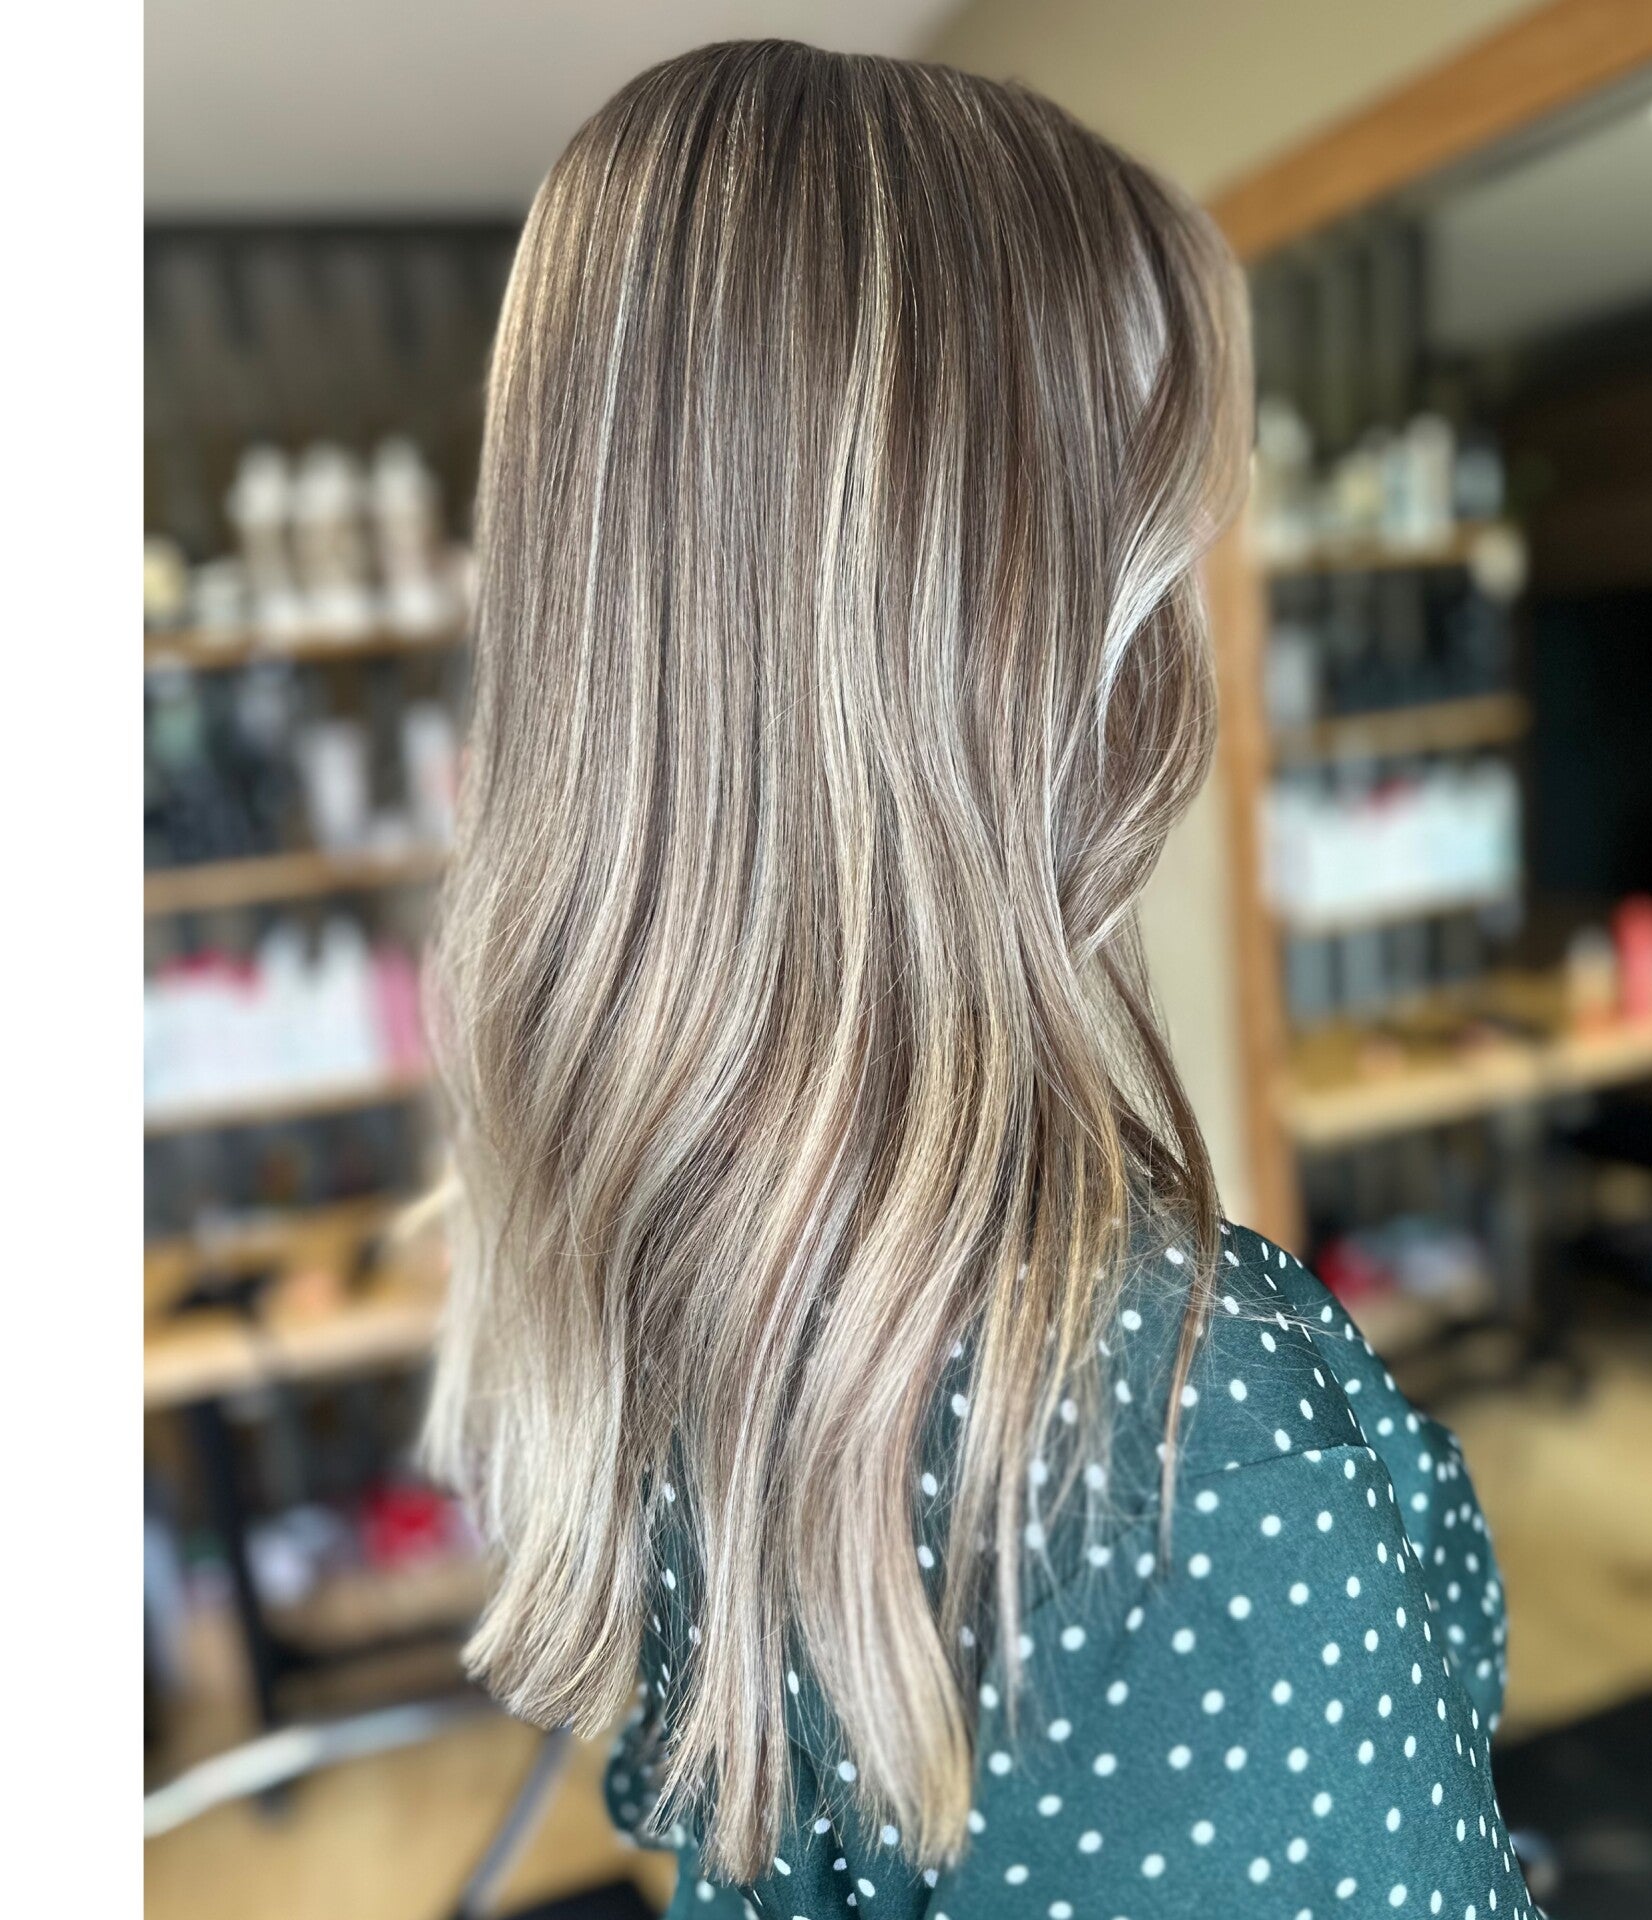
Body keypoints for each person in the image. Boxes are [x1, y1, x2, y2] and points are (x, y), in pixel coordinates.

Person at [425, 39, 1542, 1920]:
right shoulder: (1170, 1456)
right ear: (1017, 639)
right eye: (1156, 550)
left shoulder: (698, 1249)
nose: (1181, 627)